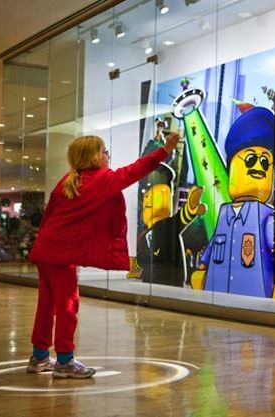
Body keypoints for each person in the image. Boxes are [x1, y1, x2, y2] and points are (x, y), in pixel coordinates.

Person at [27, 132, 180, 379]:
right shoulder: (102, 179)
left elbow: (48, 216)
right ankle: (64, 361)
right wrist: (165, 150)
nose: (108, 154)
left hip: (46, 249)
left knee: (47, 305)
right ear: (94, 156)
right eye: (104, 150)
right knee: (68, 305)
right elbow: (135, 170)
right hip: (60, 254)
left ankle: (40, 356)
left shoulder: (69, 180)